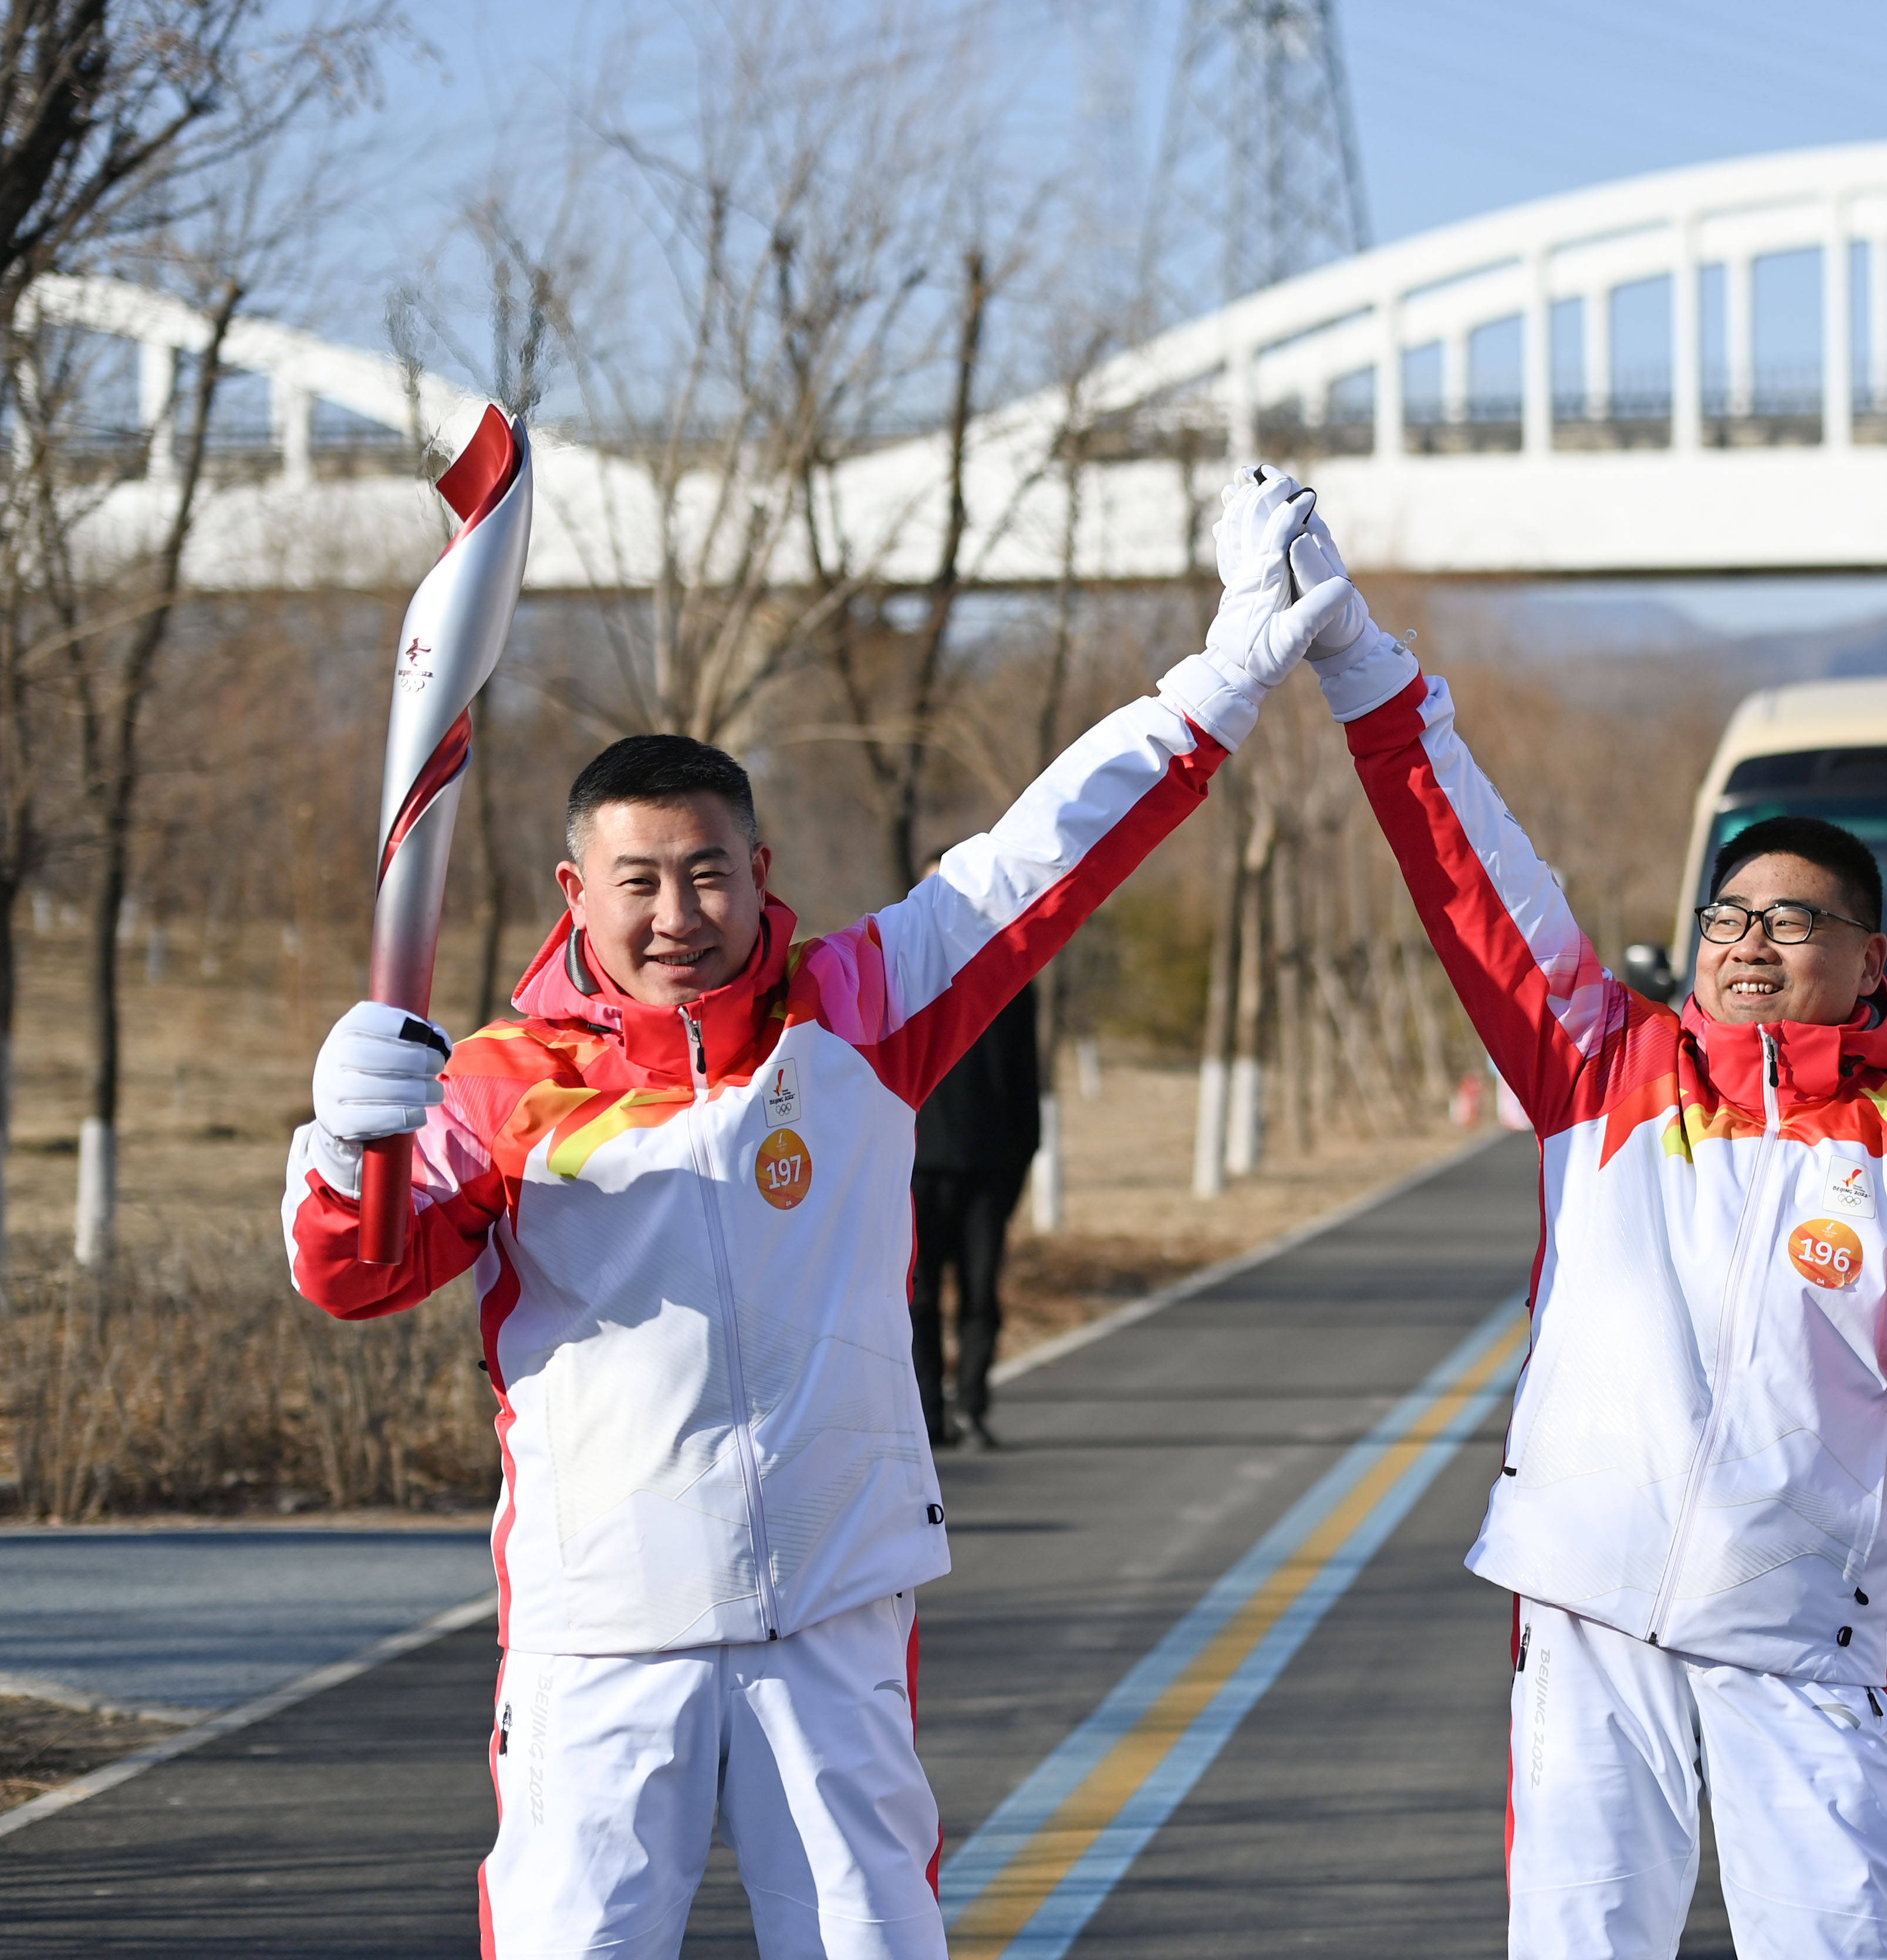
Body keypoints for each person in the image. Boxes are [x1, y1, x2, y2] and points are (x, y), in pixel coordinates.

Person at [282, 468, 1346, 1959]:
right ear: (574, 892)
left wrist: (1228, 671)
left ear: (757, 872)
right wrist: (341, 1144)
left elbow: (1046, 850)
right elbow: (357, 1275)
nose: (677, 913)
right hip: (603, 1631)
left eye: (707, 872)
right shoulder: (493, 1085)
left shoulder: (853, 1011)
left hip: (831, 1614)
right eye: (639, 880)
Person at [1282, 512, 1887, 1957]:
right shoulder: (1604, 1068)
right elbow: (1471, 871)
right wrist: (1365, 671)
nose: (1749, 939)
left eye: (1794, 918)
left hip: (1799, 1627)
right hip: (1589, 1603)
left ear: (1869, 957)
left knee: (1831, 1938)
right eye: (1728, 913)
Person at [911, 964, 1038, 1450]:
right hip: (918, 1168)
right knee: (918, 1296)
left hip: (991, 1168)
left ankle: (972, 1409)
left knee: (980, 1292)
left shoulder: (1011, 974)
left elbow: (1026, 1077)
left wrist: (1021, 1161)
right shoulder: (905, 971)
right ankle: (926, 1414)